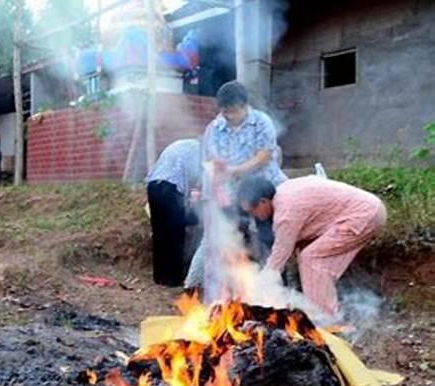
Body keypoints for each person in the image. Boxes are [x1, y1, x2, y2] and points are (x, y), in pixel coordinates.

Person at [184, 81, 287, 289]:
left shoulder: (261, 122)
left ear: (244, 105)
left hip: (262, 192)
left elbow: (265, 155)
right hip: (231, 194)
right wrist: (217, 170)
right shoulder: (215, 128)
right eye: (224, 111)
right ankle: (198, 286)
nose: (227, 116)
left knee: (267, 237)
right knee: (223, 237)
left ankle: (278, 289)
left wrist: (236, 170)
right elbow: (210, 159)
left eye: (232, 111)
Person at [238, 176, 387, 316]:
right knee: (306, 250)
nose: (253, 216)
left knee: (312, 258)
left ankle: (325, 320)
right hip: (368, 210)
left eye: (252, 211)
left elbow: (280, 254)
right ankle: (322, 309)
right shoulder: (283, 194)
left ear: (263, 201)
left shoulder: (286, 214)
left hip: (363, 215)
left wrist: (261, 284)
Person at [146, 139, 202, 287]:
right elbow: (197, 178)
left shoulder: (184, 145)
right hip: (169, 188)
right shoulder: (201, 151)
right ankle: (173, 279)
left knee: (160, 232)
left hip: (153, 186)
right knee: (176, 233)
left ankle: (160, 277)